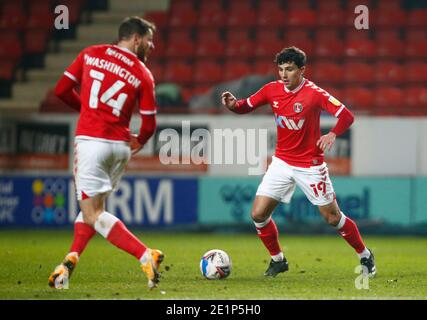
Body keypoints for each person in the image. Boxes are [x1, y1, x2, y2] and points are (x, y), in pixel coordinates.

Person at [221, 46, 376, 278]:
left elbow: (347, 116)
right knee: (258, 215)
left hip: (310, 165)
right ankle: (278, 260)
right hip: (282, 163)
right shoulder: (272, 90)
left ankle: (365, 255)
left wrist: (332, 133)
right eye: (281, 69)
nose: (284, 74)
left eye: (290, 69)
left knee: (333, 218)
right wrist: (233, 105)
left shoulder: (314, 93)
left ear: (302, 70)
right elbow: (246, 106)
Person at [48, 17, 164, 289]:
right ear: (136, 39)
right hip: (120, 148)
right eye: (148, 40)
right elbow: (149, 123)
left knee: (92, 213)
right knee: (94, 210)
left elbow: (61, 90)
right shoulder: (143, 73)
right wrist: (141, 140)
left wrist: (89, 111)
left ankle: (145, 254)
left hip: (92, 143)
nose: (152, 46)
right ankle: (68, 265)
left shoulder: (91, 54)